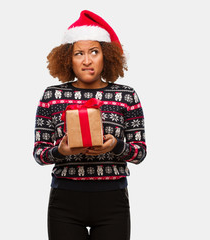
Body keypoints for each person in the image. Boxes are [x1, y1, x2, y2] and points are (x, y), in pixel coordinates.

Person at [33, 10, 147, 240]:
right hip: (65, 200)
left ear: (106, 55)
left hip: (112, 201)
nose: (87, 61)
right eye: (78, 53)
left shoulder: (126, 96)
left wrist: (115, 146)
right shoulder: (52, 95)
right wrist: (61, 151)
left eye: (94, 52)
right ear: (67, 58)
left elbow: (140, 153)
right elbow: (39, 153)